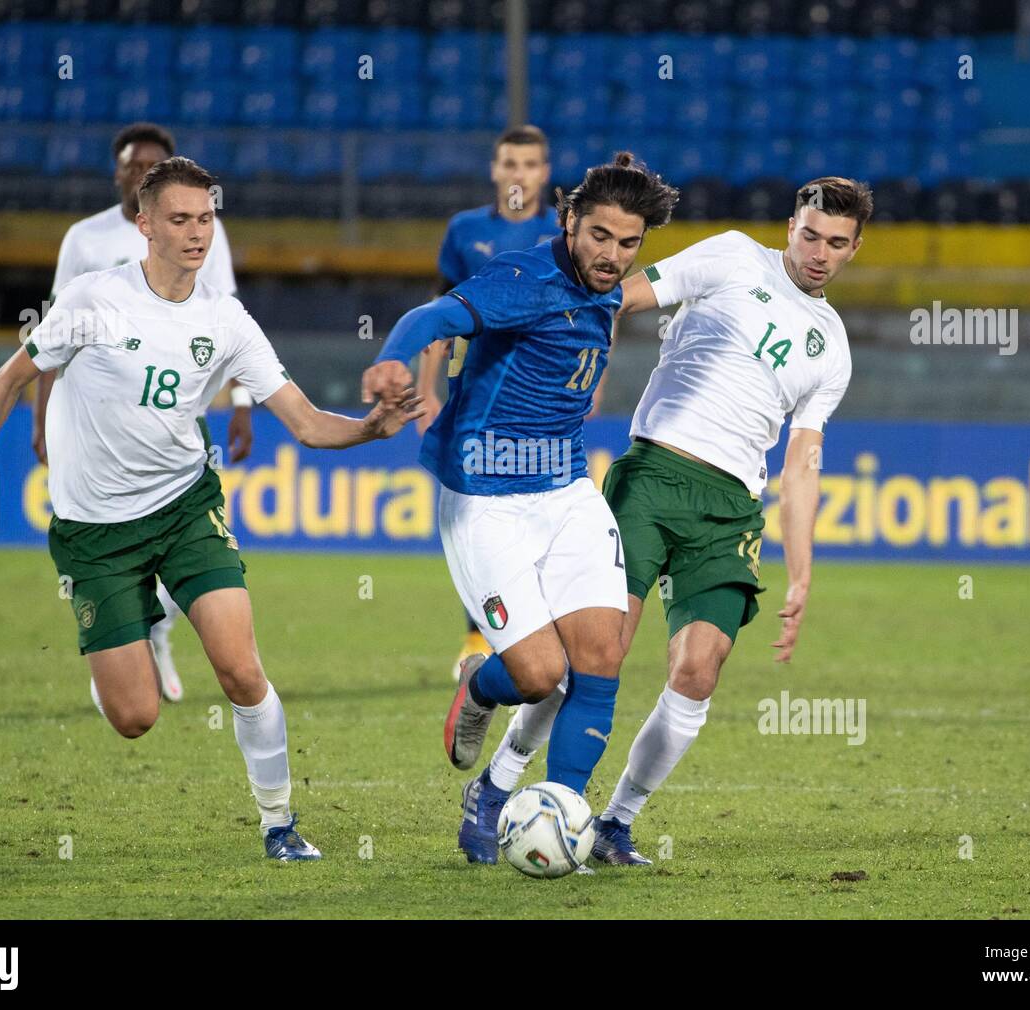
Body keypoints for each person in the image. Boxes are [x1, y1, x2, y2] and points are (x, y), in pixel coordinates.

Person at [0, 157, 423, 862]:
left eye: (206, 218)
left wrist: (372, 427)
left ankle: (279, 823)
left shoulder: (225, 320)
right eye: (181, 219)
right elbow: (9, 382)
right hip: (94, 533)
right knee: (135, 718)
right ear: (145, 224)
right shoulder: (94, 301)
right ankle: (128, 630)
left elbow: (307, 423)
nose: (197, 233)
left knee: (241, 670)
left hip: (185, 509)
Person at [481, 177, 870, 865]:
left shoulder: (832, 348)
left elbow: (803, 463)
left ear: (854, 248)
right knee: (596, 654)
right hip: (654, 478)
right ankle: (499, 781)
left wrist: (802, 570)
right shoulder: (730, 258)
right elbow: (620, 293)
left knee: (699, 670)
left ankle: (613, 825)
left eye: (836, 243)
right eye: (810, 235)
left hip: (731, 513)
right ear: (789, 227)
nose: (819, 252)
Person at [362, 153, 678, 865]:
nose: (612, 255)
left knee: (601, 660)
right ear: (569, 222)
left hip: (565, 492)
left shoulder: (604, 288)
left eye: (628, 244)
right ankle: (481, 687)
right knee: (540, 676)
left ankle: (544, 813)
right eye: (599, 236)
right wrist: (392, 359)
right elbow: (435, 312)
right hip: (487, 501)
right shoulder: (522, 279)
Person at [35, 121, 252, 704]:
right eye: (131, 166)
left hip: (181, 418)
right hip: (101, 430)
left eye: (149, 166)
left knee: (188, 535)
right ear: (120, 175)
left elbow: (224, 319)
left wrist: (242, 403)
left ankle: (159, 636)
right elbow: (47, 341)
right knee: (133, 708)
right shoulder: (84, 240)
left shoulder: (206, 231)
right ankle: (123, 634)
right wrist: (40, 420)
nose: (138, 174)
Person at [418, 125, 562, 680]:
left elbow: (597, 305)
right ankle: (479, 634)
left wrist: (591, 383)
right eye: (509, 163)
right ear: (496, 169)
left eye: (529, 164)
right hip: (475, 392)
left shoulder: (563, 230)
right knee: (477, 512)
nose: (518, 173)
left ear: (543, 173)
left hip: (545, 395)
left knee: (541, 514)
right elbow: (441, 310)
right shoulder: (465, 231)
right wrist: (428, 388)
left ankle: (534, 632)